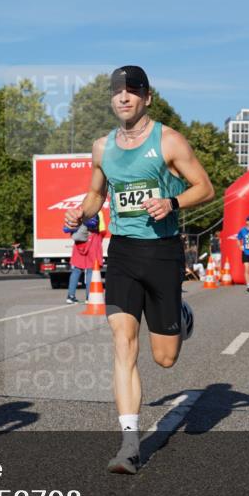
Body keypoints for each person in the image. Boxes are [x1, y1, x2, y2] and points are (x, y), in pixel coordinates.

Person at [63, 66, 214, 475]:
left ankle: (180, 316)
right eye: (117, 91)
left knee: (165, 359)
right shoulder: (102, 147)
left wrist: (173, 203)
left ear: (147, 97)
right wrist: (82, 212)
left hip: (163, 253)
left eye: (133, 90)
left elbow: (205, 186)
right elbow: (96, 194)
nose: (124, 97)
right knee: (122, 339)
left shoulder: (168, 140)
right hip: (125, 253)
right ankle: (129, 444)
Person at [64, 215, 103, 303]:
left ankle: (70, 296)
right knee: (90, 271)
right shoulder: (94, 212)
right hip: (92, 241)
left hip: (79, 244)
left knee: (76, 270)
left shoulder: (79, 215)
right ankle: (89, 297)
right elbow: (101, 228)